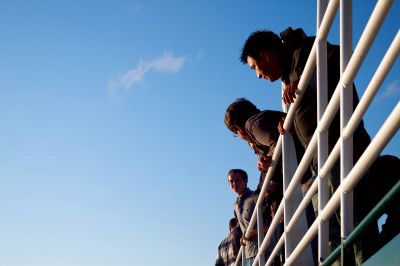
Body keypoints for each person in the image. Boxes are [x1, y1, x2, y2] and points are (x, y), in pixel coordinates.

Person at [240, 27, 378, 265]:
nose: (258, 76)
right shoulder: (287, 79)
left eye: (255, 68)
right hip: (320, 163)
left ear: (265, 55)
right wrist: (289, 124)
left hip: (340, 149)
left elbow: (340, 59)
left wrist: (303, 81)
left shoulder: (304, 52)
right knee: (331, 237)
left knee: (354, 224)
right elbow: (309, 113)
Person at [227, 168, 276, 266]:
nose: (234, 183)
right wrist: (242, 237)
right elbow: (243, 228)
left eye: (237, 180)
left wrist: (254, 232)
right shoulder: (235, 206)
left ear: (245, 181)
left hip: (265, 249)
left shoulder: (256, 197)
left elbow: (272, 223)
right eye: (231, 181)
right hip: (248, 254)